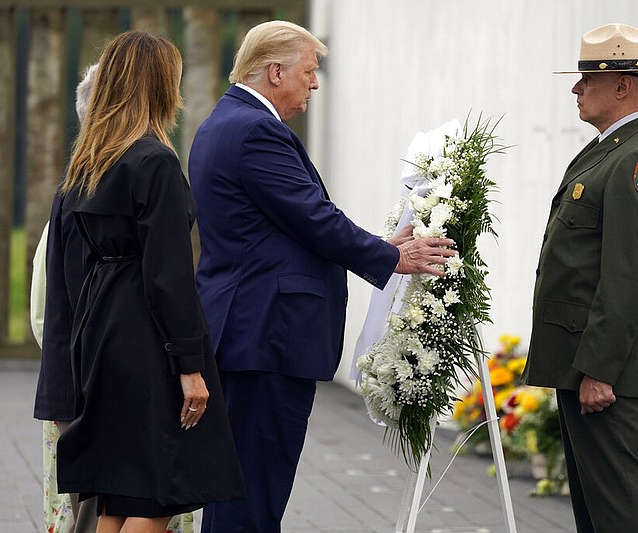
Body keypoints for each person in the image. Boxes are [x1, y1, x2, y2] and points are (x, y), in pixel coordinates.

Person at [188, 20, 456, 532]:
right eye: (309, 72)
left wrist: (380, 246)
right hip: (266, 337)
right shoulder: (254, 131)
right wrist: (391, 259)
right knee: (252, 496)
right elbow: (313, 217)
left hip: (250, 333)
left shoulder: (227, 123)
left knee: (240, 491)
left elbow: (294, 224)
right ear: (274, 71)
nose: (314, 83)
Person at [54, 30, 245, 533]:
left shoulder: (87, 163)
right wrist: (190, 368)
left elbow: (71, 265)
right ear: (159, 86)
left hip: (101, 327)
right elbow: (168, 274)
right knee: (159, 490)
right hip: (147, 333)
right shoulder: (154, 161)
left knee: (119, 490)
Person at [521, 23, 638, 533]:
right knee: (595, 509)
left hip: (601, 370)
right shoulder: (609, 151)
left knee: (616, 508)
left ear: (622, 86)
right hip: (583, 363)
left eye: (587, 79)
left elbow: (628, 279)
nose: (576, 89)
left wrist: (600, 370)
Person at [31, 63, 98, 533]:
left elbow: (41, 317)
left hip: (69, 386)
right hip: (87, 392)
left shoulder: (70, 196)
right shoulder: (88, 201)